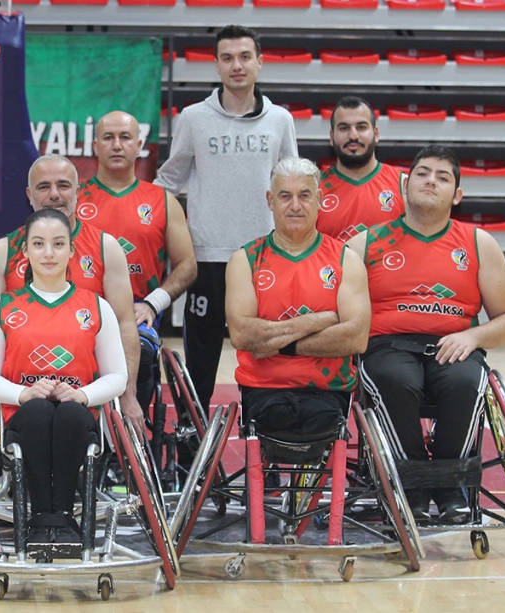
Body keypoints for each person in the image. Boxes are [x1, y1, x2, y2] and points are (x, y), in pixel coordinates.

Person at [347, 145, 505, 524]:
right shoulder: (364, 244)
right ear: (405, 185)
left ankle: (450, 488)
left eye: (442, 178)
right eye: (423, 173)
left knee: (466, 382)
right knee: (394, 379)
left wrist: (474, 337)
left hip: (455, 344)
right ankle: (410, 488)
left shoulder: (478, 243)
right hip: (386, 345)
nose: (431, 181)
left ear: (456, 195)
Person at [154, 24, 298, 415]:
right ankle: (193, 438)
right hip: (207, 256)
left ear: (260, 63)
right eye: (228, 58)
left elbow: (291, 182)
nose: (237, 65)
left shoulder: (280, 119)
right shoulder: (193, 118)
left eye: (245, 57)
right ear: (216, 65)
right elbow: (169, 180)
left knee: (266, 353)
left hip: (264, 257)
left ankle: (269, 430)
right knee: (201, 360)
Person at [0, 208, 127, 544]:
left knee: (69, 413)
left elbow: (118, 376)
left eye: (58, 244)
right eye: (39, 244)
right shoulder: (2, 307)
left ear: (72, 251)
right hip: (23, 418)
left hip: (79, 417)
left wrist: (83, 395)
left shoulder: (96, 307)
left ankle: (62, 516)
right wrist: (23, 393)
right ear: (25, 251)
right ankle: (44, 517)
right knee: (39, 410)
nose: (48, 253)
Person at [0, 155, 144, 426]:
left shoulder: (106, 247)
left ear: (78, 192)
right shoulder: (4, 250)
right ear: (29, 195)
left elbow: (125, 322)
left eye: (63, 185)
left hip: (86, 384)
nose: (54, 194)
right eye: (44, 187)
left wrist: (128, 395)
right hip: (20, 386)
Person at [225, 157, 369, 436]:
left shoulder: (346, 260)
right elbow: (242, 334)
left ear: (319, 199)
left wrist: (279, 345)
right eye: (285, 196)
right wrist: (317, 321)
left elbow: (355, 338)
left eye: (304, 195)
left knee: (320, 425)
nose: (295, 205)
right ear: (270, 201)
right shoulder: (245, 259)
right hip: (262, 388)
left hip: (328, 390)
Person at [78, 110, 197, 412]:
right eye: (108, 138)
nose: (117, 145)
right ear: (95, 146)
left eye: (125, 137)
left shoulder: (162, 200)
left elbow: (187, 265)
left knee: (140, 356)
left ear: (139, 145)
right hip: (82, 310)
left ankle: (133, 425)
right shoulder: (73, 199)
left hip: (137, 310)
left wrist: (153, 304)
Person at [317, 96, 406, 241]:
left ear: (376, 134)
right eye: (344, 128)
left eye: (361, 127)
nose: (353, 135)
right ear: (332, 137)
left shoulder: (403, 186)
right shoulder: (314, 188)